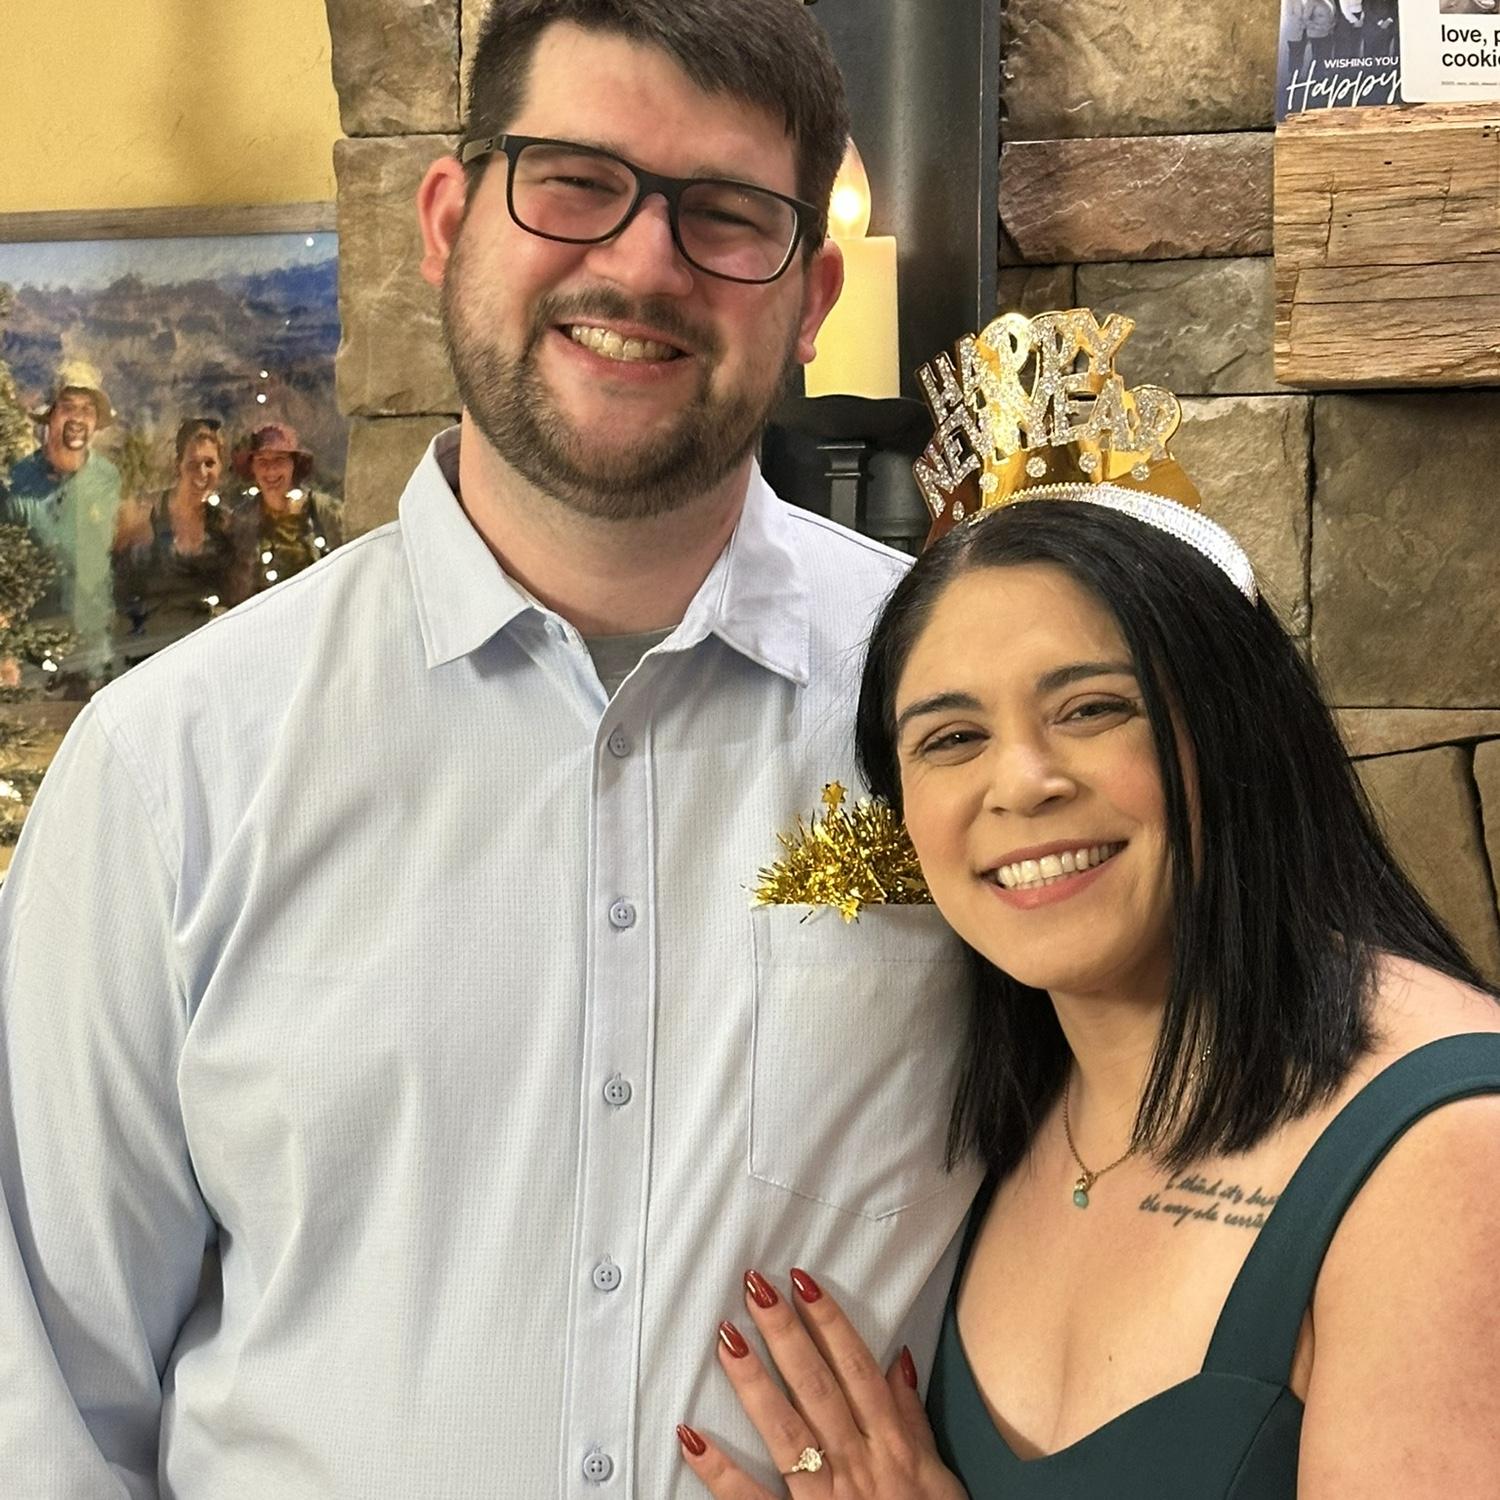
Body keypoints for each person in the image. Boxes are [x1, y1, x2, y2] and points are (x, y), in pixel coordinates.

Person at [0, 3, 977, 1496]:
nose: (643, 265)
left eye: (726, 216)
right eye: (575, 183)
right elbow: (47, 1405)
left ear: (811, 296)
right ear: (449, 221)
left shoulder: (961, 712)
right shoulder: (168, 770)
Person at [679, 312, 1500, 1497]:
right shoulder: (1001, 1115)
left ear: (1237, 727)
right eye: (951, 737)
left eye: (1092, 709)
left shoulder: (1453, 1152)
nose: (1020, 783)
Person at [0, 358, 122, 685]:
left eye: (87, 409)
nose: (78, 417)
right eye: (68, 407)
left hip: (96, 654)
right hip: (35, 660)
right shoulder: (15, 485)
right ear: (51, 415)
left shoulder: (109, 479)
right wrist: (5, 655)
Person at [114, 418, 242, 647]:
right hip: (153, 646)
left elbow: (236, 594)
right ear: (178, 466)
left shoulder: (224, 524)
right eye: (193, 464)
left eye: (210, 463)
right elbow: (113, 586)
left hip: (210, 642)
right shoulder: (144, 514)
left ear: (220, 467)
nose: (202, 472)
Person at [231, 420, 342, 595]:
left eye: (280, 459)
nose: (271, 469)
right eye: (262, 460)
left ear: (294, 464)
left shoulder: (325, 511)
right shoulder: (242, 520)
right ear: (252, 468)